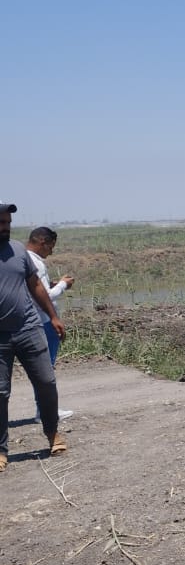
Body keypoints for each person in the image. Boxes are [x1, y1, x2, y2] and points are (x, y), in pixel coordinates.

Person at [0, 201, 67, 472]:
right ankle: (1, 450)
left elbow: (35, 285)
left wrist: (52, 316)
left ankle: (53, 435)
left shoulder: (17, 249)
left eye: (7, 223)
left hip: (29, 328)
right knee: (0, 393)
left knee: (46, 382)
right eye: (1, 224)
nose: (5, 228)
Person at [25, 226, 74, 420]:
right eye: (51, 247)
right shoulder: (36, 264)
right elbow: (44, 296)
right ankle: (46, 412)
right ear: (42, 242)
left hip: (33, 321)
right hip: (44, 321)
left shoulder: (23, 259)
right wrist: (63, 285)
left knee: (42, 369)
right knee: (46, 368)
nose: (51, 252)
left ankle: (44, 410)